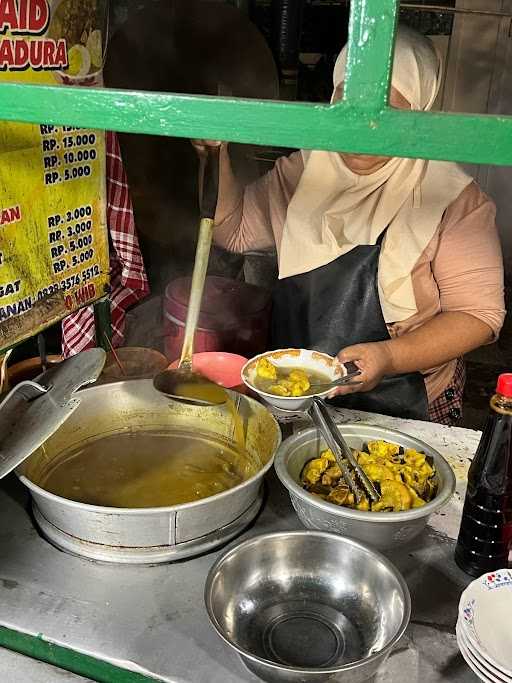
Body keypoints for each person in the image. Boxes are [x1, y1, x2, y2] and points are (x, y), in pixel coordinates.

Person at [194, 25, 505, 425]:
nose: (364, 130)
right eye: (349, 107)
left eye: (388, 113)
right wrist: (213, 156)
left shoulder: (453, 196)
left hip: (408, 396)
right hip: (301, 388)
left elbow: (479, 316)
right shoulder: (302, 171)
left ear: (420, 111)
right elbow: (231, 230)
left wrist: (389, 356)